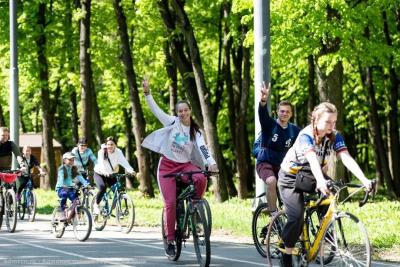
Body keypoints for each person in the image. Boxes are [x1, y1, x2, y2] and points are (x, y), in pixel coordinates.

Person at [278, 102, 373, 267]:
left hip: (312, 175)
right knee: (297, 216)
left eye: (334, 122)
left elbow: (345, 157)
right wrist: (321, 181)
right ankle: (286, 254)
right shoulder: (305, 135)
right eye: (328, 122)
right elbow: (313, 160)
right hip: (290, 177)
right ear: (316, 119)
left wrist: (364, 179)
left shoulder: (335, 135)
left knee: (327, 206)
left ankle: (318, 247)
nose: (332, 126)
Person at [141, 80, 218, 258]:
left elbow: (204, 148)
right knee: (170, 203)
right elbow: (156, 110)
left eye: (186, 110)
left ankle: (195, 206)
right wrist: (147, 94)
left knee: (200, 177)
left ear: (190, 111)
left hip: (184, 165)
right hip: (167, 167)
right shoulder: (172, 123)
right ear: (177, 113)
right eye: (180, 111)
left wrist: (211, 163)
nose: (183, 113)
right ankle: (169, 240)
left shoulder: (196, 132)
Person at [256, 82, 300, 215]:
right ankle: (273, 214)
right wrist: (263, 100)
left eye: (287, 111)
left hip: (283, 165)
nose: (284, 113)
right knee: (271, 181)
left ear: (291, 114)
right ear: (277, 112)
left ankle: (291, 216)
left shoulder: (295, 130)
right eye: (282, 111)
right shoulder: (270, 125)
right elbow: (262, 114)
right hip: (265, 163)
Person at [92, 136, 136, 214]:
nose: (110, 146)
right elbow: (101, 163)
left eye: (112, 144)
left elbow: (124, 161)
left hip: (111, 174)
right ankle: (96, 204)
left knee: (118, 190)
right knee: (102, 188)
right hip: (99, 173)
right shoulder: (101, 152)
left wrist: (130, 170)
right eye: (108, 144)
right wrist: (105, 172)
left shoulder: (118, 152)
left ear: (115, 145)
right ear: (106, 145)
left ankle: (117, 210)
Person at [55, 152, 89, 221]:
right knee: (64, 194)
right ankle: (62, 212)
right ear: (64, 160)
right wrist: (63, 185)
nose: (72, 161)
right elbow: (61, 178)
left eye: (73, 160)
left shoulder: (74, 168)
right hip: (61, 188)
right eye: (70, 160)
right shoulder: (62, 169)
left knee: (77, 201)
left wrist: (86, 185)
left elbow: (80, 177)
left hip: (70, 189)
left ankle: (70, 217)